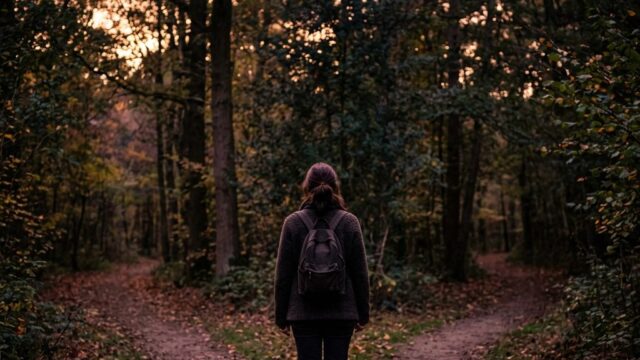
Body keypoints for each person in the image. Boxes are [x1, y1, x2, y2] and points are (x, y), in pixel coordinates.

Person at [274, 162, 370, 360]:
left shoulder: (292, 223)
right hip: (342, 313)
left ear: (306, 187)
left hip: (303, 313)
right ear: (335, 186)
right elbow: (360, 273)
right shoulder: (349, 222)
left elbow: (283, 275)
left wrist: (281, 317)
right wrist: (363, 314)